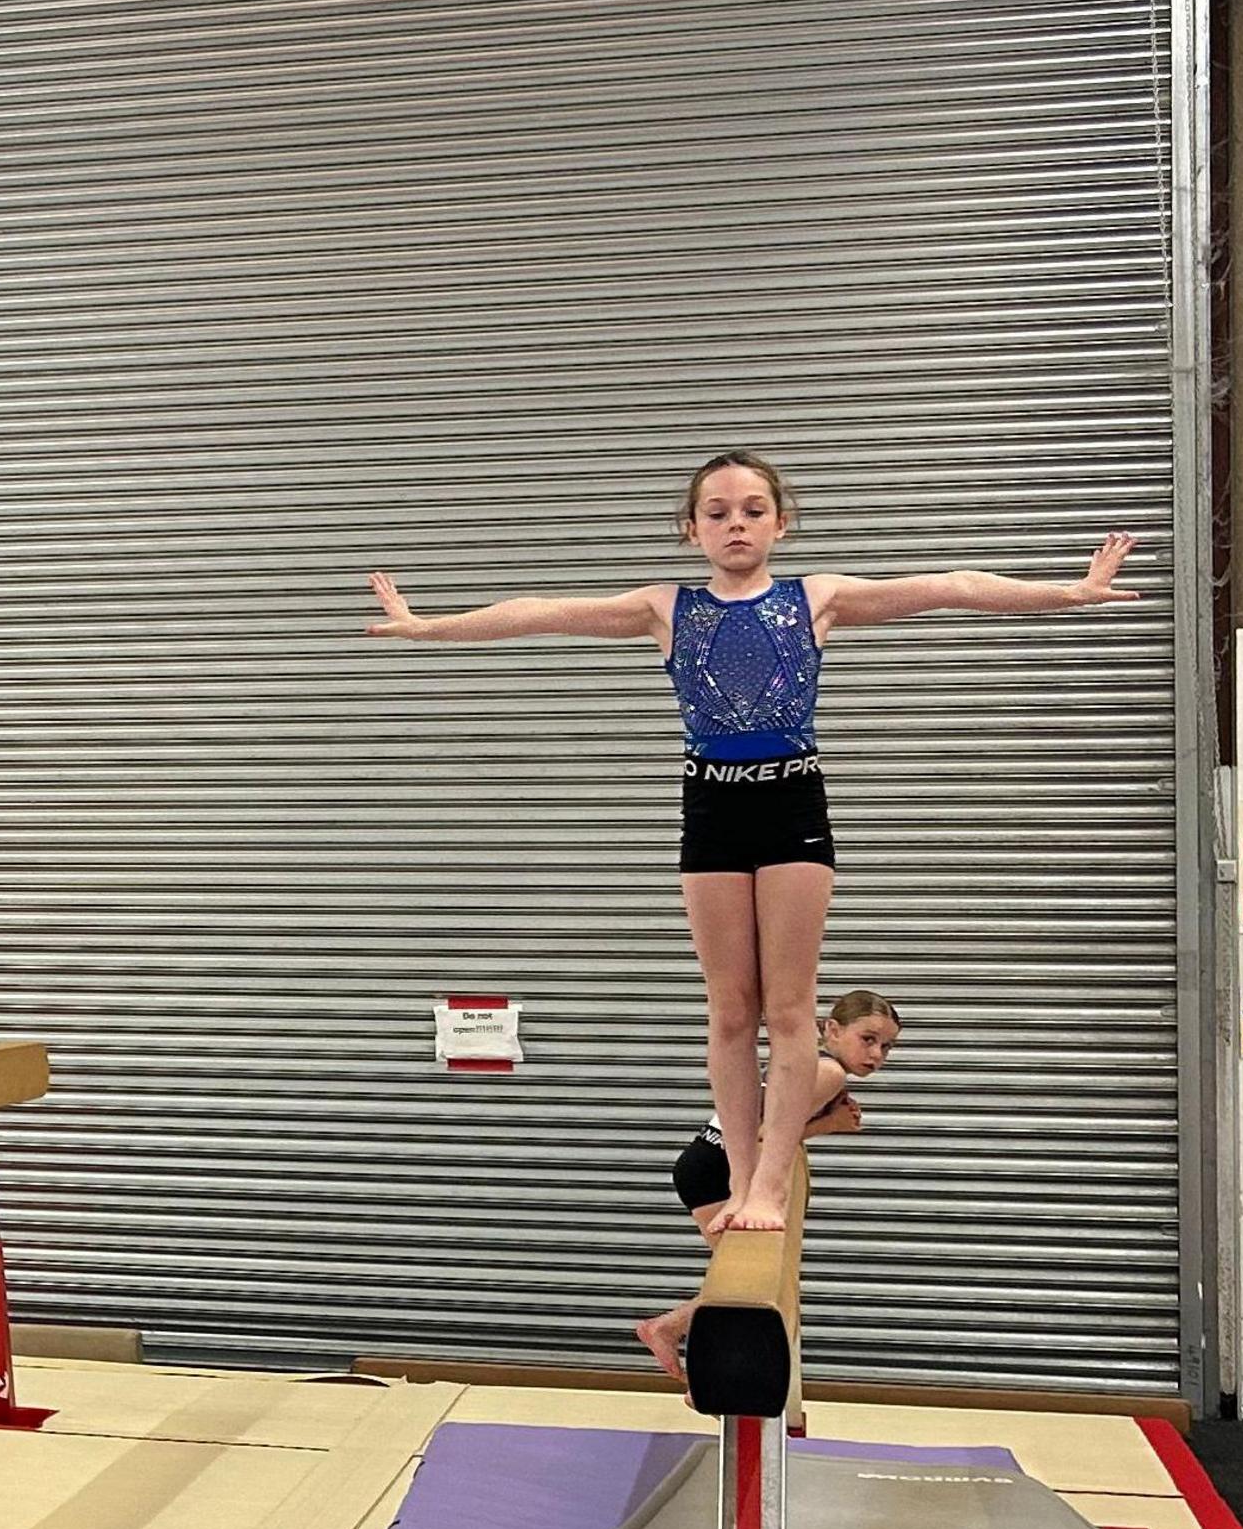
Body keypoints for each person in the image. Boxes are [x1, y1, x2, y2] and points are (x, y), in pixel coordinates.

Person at [365, 452, 1130, 1231]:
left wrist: (1068, 591)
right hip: (711, 806)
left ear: (781, 522)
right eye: (720, 511)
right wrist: (430, 628)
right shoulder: (668, 607)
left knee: (790, 1008)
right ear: (692, 528)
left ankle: (768, 1183)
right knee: (731, 1011)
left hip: (791, 800)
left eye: (754, 509)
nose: (737, 523)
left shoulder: (816, 599)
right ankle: (737, 1178)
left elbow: (951, 587)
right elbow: (541, 609)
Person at [634, 990, 901, 1381]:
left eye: (887, 1047)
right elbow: (762, 1137)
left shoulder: (812, 1067)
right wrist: (831, 1125)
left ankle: (676, 1335)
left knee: (743, 1285)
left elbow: (775, 1131)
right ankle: (688, 1350)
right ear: (832, 1029)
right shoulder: (829, 1072)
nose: (877, 1054)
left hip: (707, 1159)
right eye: (868, 1039)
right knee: (742, 1290)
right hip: (715, 1165)